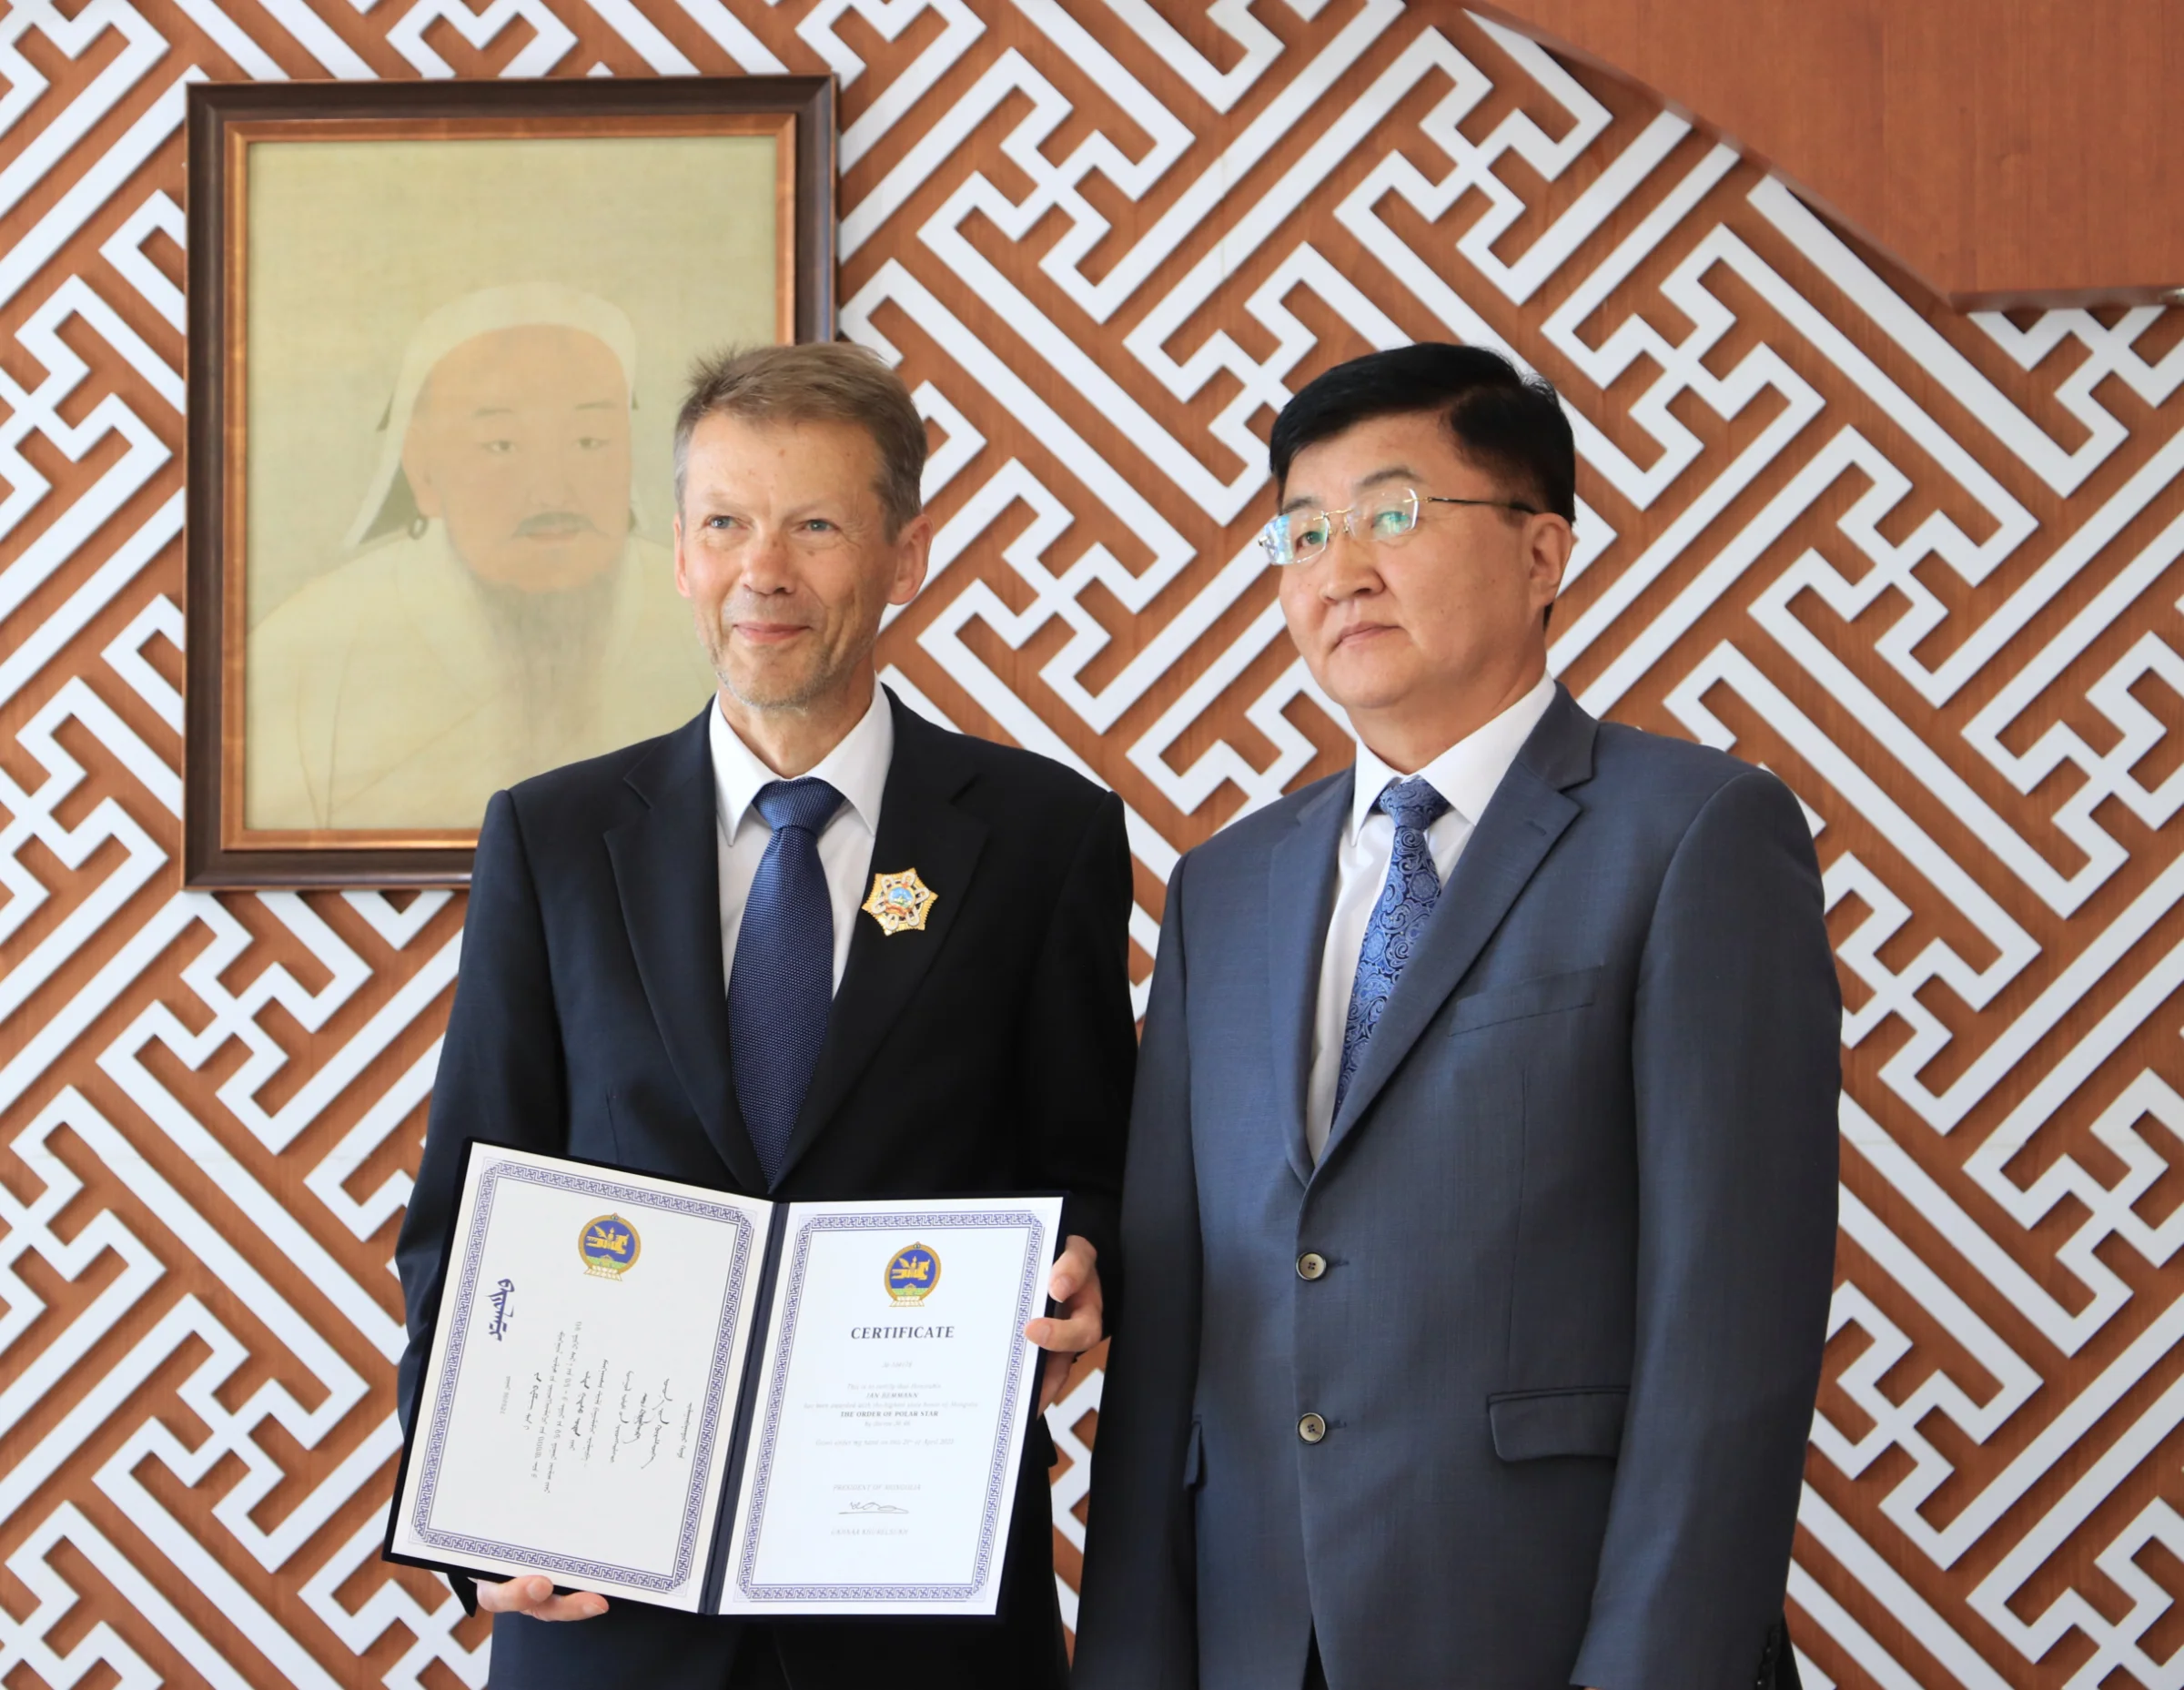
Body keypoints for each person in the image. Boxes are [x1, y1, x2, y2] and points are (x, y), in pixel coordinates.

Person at [1074, 344, 1840, 1690]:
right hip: (1265, 1642)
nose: (1339, 567)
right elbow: (1176, 1332)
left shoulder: (1698, 835)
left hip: (1551, 1638)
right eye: (1301, 531)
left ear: (1543, 553)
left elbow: (1731, 1333)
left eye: (1394, 513)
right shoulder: (1224, 887)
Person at [392, 341, 1137, 1689]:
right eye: (726, 523)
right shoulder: (557, 839)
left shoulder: (1042, 837)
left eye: (816, 526)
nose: (765, 570)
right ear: (677, 551)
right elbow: (468, 1207)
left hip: (922, 1607)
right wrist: (465, 1520)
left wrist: (1088, 1261)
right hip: (609, 1609)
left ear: (902, 555)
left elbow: (1092, 1162)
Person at [247, 282, 717, 830]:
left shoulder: (711, 621)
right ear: (421, 469)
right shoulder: (308, 653)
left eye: (589, 441)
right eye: (501, 445)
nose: (551, 492)